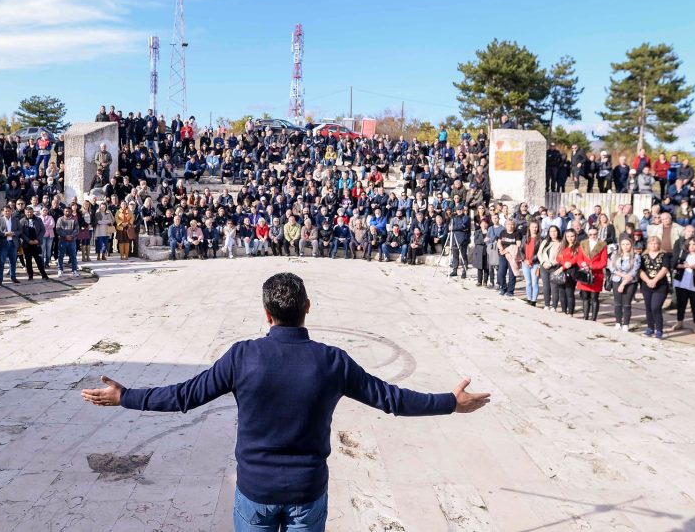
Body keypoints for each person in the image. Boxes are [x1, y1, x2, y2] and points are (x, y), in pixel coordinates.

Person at [81, 273, 490, 531]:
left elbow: (185, 395)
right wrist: (448, 403)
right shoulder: (333, 362)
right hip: (307, 493)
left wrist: (126, 397)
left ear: (266, 314)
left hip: (255, 491)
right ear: (307, 309)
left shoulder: (242, 357)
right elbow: (391, 399)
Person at [672, 237, 695, 334]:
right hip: (681, 283)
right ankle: (680, 322)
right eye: (690, 244)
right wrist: (682, 266)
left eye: (694, 244)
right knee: (681, 305)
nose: (691, 246)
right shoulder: (683, 254)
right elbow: (673, 264)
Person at [639, 236, 671, 339]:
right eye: (651, 243)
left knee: (656, 307)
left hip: (660, 285)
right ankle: (650, 328)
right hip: (646, 285)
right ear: (648, 244)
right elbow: (640, 270)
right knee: (648, 308)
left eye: (656, 243)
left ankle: (659, 330)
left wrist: (654, 280)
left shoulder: (664, 255)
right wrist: (648, 281)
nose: (654, 245)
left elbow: (664, 269)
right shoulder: (643, 256)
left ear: (659, 244)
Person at [576, 226, 608, 321]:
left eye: (594, 234)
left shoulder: (602, 245)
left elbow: (604, 262)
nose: (593, 236)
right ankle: (585, 317)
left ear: (597, 234)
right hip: (585, 273)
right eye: (590, 234)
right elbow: (579, 258)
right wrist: (582, 264)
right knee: (585, 297)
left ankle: (593, 318)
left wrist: (591, 266)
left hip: (596, 275)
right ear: (588, 234)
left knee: (594, 297)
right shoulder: (583, 244)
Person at [609, 237, 640, 331]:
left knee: (626, 304)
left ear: (631, 245)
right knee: (617, 303)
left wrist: (623, 284)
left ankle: (626, 324)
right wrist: (622, 275)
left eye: (627, 244)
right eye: (623, 244)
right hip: (616, 280)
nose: (625, 246)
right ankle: (618, 322)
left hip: (630, 282)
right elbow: (612, 268)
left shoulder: (636, 256)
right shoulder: (615, 254)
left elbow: (634, 271)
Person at [19, 206, 50, 281]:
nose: (29, 213)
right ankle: (30, 275)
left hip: (37, 243)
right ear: (25, 212)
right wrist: (28, 240)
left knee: (39, 260)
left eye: (30, 212)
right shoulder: (22, 221)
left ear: (33, 212)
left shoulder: (38, 220)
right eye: (27, 212)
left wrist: (38, 240)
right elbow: (21, 233)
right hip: (27, 244)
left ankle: (43, 274)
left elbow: (42, 230)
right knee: (28, 260)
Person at [555, 229, 581, 316]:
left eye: (572, 236)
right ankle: (563, 310)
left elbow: (575, 259)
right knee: (561, 292)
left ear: (575, 236)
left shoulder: (578, 247)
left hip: (571, 271)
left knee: (569, 292)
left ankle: (570, 312)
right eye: (568, 236)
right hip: (562, 270)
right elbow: (558, 258)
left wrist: (566, 265)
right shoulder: (563, 246)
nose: (570, 238)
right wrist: (563, 265)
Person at [537, 225, 562, 310]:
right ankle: (546, 304)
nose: (553, 233)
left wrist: (551, 263)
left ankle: (554, 306)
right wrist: (543, 262)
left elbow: (560, 257)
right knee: (545, 286)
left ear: (558, 232)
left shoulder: (561, 243)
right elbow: (539, 254)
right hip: (544, 267)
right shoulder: (545, 242)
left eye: (555, 231)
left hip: (554, 267)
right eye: (551, 231)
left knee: (554, 287)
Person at [0, 205, 21, 284]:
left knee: (13, 261)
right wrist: (4, 234)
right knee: (1, 262)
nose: (7, 212)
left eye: (9, 211)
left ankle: (13, 277)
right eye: (5, 211)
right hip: (3, 244)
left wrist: (14, 233)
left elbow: (20, 230)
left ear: (11, 211)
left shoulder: (15, 220)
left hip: (13, 243)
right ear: (2, 212)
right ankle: (0, 278)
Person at [496, 218, 520, 297]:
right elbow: (499, 243)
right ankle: (503, 288)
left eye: (512, 224)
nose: (510, 226)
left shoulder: (517, 233)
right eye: (509, 224)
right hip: (503, 255)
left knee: (512, 274)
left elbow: (518, 245)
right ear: (506, 225)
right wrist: (501, 249)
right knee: (500, 273)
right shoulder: (503, 232)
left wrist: (506, 251)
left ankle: (510, 291)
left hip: (512, 256)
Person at [521, 221, 542, 306]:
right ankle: (529, 298)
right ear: (529, 228)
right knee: (528, 282)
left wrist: (531, 261)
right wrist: (525, 260)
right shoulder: (525, 237)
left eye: (536, 227)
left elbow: (539, 253)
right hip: (525, 263)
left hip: (535, 264)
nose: (534, 229)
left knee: (534, 283)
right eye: (533, 227)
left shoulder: (540, 239)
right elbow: (521, 250)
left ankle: (534, 300)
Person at [55, 206, 80, 276]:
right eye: (66, 211)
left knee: (73, 256)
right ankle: (60, 269)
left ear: (71, 212)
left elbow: (77, 230)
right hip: (62, 240)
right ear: (63, 212)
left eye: (69, 211)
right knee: (60, 256)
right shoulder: (60, 219)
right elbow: (58, 229)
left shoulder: (74, 220)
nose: (67, 212)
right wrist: (65, 236)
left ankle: (74, 270)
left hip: (72, 241)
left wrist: (71, 236)